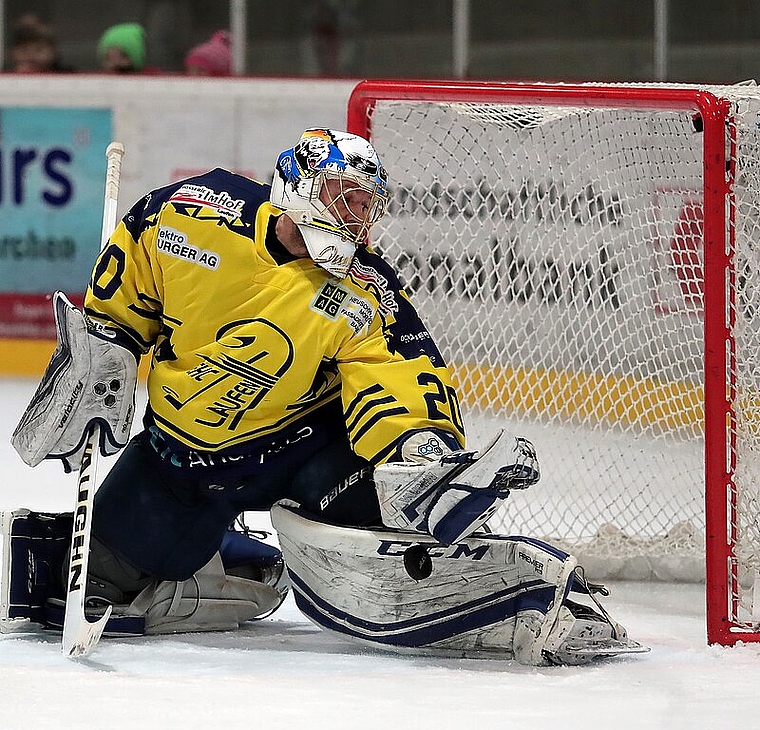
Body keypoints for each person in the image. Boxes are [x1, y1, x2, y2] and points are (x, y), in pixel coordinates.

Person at [5, 130, 642, 664]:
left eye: (367, 207)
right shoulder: (188, 215)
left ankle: (539, 595)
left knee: (393, 566)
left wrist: (420, 448)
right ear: (298, 188)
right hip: (181, 461)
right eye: (346, 199)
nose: (358, 220)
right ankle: (228, 563)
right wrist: (102, 349)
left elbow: (398, 370)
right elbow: (132, 274)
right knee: (78, 584)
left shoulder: (367, 287)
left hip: (308, 456)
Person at [7, 14, 72, 73]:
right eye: (24, 50)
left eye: (39, 49)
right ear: (12, 52)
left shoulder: (68, 76)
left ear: (53, 51)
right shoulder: (5, 78)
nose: (31, 56)